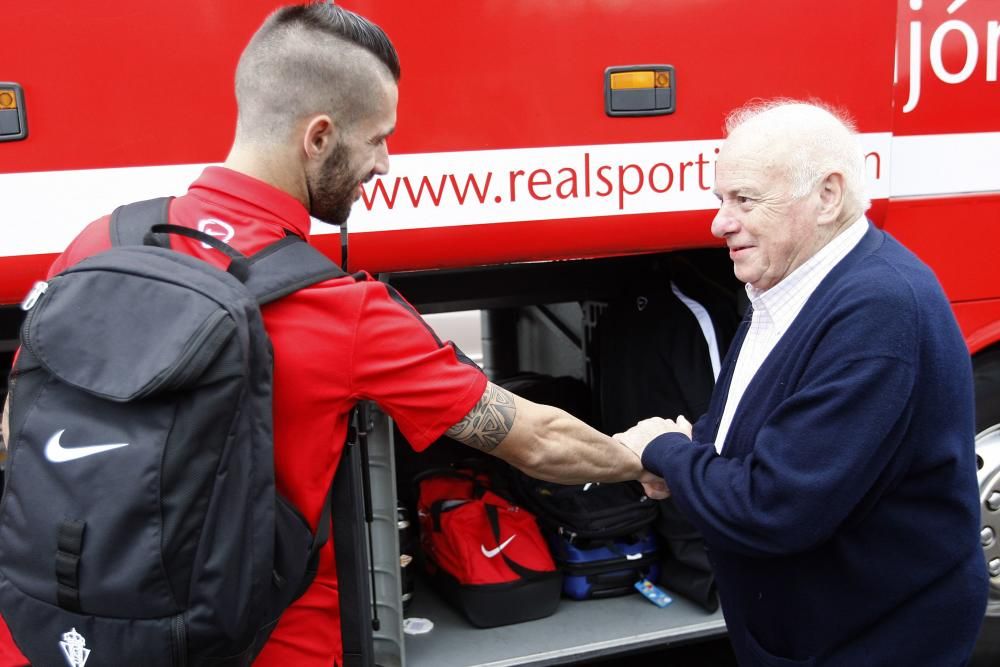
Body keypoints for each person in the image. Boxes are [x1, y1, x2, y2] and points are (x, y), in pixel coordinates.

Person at [0, 4, 661, 666]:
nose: (386, 164)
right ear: (318, 137)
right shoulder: (340, 310)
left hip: (50, 634)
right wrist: (641, 455)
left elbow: (16, 426)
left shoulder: (98, 241)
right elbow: (538, 441)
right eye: (377, 138)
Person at [615, 99, 988, 665]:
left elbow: (774, 507)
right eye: (721, 200)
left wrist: (665, 453)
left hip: (872, 643)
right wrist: (694, 457)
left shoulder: (878, 311)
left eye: (744, 198)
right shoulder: (791, 288)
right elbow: (749, 434)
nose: (719, 222)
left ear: (828, 195)